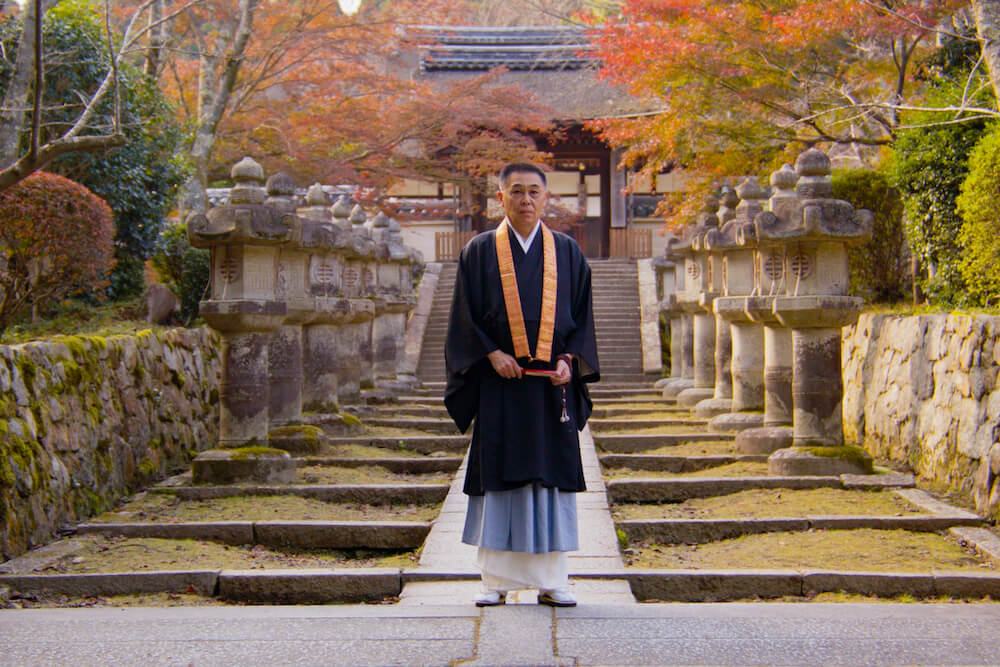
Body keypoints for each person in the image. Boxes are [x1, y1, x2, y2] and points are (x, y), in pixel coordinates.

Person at [444, 162, 599, 607]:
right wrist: (491, 353)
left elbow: (582, 318)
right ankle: (495, 581)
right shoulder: (477, 251)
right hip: (500, 384)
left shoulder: (568, 252)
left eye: (534, 192)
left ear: (546, 198)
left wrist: (570, 361)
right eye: (516, 192)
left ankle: (553, 580)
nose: (526, 200)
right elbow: (464, 317)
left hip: (551, 386)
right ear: (500, 197)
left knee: (550, 477)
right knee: (501, 476)